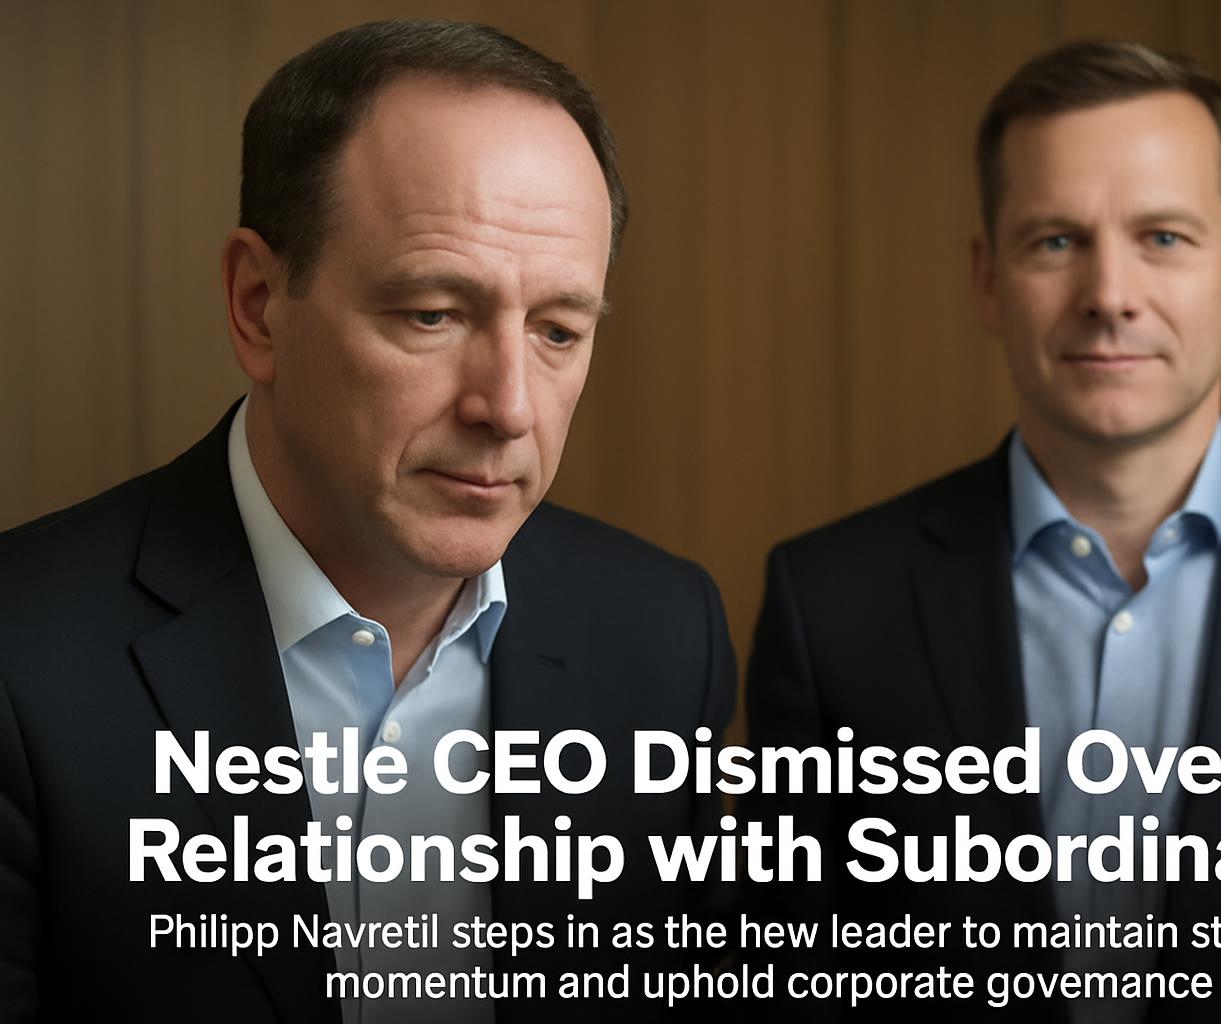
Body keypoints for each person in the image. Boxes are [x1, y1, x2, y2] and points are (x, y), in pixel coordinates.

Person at [741, 40, 1221, 1022]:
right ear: (988, 280)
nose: (1109, 294)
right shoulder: (830, 604)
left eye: (1163, 236)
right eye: (1055, 241)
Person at [0, 20, 733, 1024]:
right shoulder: (22, 657)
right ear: (259, 305)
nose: (509, 407)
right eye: (433, 314)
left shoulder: (666, 635)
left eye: (558, 330)